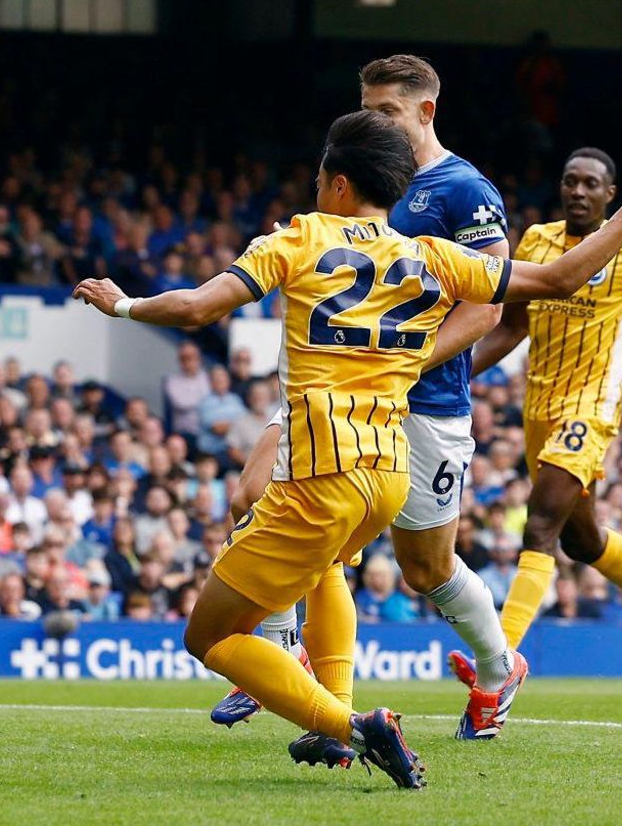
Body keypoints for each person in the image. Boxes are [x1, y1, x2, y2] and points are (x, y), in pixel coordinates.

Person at [74, 110, 622, 783]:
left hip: (320, 474)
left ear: (338, 184)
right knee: (324, 567)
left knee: (209, 635)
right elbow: (556, 279)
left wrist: (123, 305)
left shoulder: (299, 239)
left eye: (320, 177)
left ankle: (347, 722)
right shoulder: (426, 255)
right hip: (386, 473)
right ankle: (329, 700)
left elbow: (198, 308)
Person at [211, 55, 522, 743]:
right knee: (254, 493)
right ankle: (280, 654)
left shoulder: (463, 191)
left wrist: (403, 362)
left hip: (421, 400)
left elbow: (487, 310)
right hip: (333, 391)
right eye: (365, 108)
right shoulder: (362, 180)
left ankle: (499, 669)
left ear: (425, 112)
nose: (370, 121)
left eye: (385, 111)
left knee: (425, 568)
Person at [464, 147, 622, 680]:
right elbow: (512, 328)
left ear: (610, 193)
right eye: (569, 181)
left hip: (591, 408)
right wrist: (457, 372)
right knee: (583, 540)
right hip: (539, 405)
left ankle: (499, 660)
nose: (577, 191)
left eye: (590, 184)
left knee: (541, 525)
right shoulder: (536, 241)